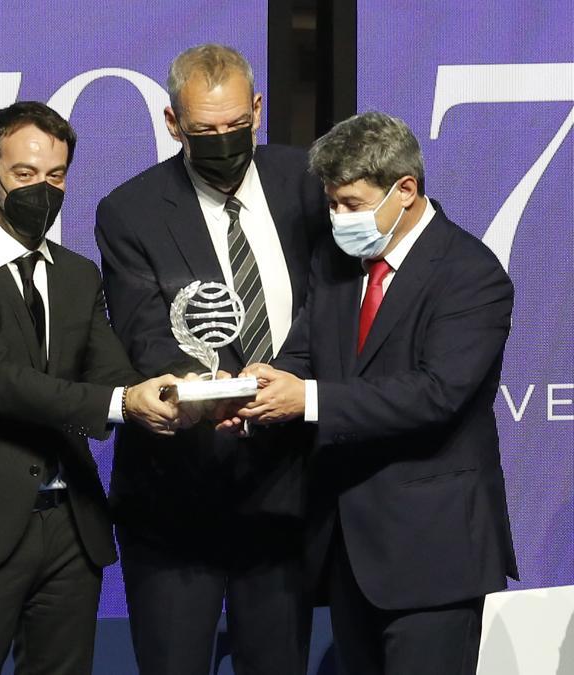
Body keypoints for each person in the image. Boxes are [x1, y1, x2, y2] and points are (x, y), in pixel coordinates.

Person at [221, 111, 518, 675]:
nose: (337, 218)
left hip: (433, 554)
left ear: (405, 190)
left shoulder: (471, 274)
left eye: (351, 204)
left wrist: (306, 399)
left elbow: (436, 393)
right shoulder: (337, 264)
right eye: (331, 203)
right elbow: (305, 353)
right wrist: (252, 391)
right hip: (346, 550)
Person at [0, 101, 189, 675]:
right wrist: (120, 402)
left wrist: (181, 393)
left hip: (70, 529)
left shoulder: (78, 274)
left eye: (55, 177)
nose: (42, 190)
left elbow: (113, 376)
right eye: (24, 175)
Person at [94, 44, 329, 675]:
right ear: (174, 124)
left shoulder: (312, 185)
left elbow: (336, 307)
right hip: (177, 499)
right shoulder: (130, 211)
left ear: (257, 110)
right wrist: (210, 395)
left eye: (235, 127)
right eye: (204, 132)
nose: (223, 142)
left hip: (286, 491)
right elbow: (144, 335)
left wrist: (292, 388)